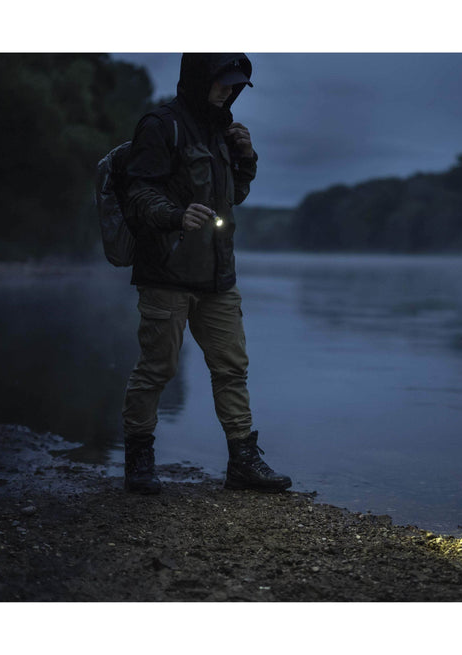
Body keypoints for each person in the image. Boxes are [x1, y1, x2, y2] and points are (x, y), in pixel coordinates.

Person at [120, 53, 291, 495]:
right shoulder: (161, 125)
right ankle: (139, 458)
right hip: (167, 272)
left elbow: (235, 195)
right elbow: (138, 191)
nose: (228, 91)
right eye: (221, 83)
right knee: (157, 368)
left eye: (234, 85)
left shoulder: (223, 131)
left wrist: (247, 158)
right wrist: (176, 215)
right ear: (199, 79)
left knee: (232, 368)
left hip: (218, 277)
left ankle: (243, 460)